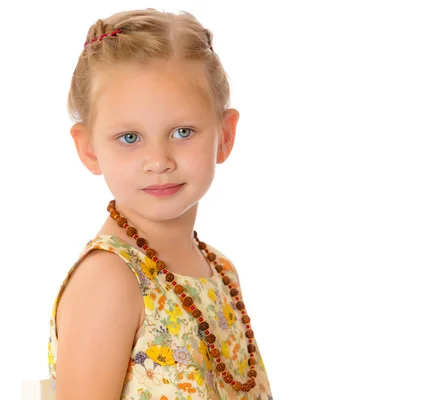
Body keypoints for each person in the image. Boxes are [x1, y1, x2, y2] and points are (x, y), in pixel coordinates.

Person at [47, 8, 272, 400]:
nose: (159, 160)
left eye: (182, 132)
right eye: (130, 137)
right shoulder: (111, 281)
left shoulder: (221, 271)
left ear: (225, 136)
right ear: (89, 149)